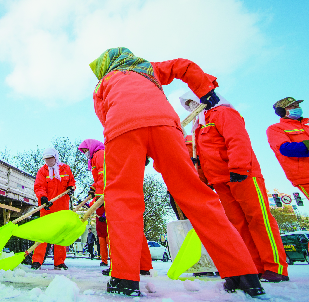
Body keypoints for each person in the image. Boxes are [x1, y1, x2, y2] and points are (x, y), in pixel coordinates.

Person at [90, 47, 266, 298]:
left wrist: (136, 151)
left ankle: (124, 280)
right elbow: (183, 66)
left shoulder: (102, 84)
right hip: (165, 126)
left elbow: (105, 118)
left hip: (122, 129)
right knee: (197, 196)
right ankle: (243, 274)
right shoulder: (147, 68)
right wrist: (206, 90)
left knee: (122, 201)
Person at [181, 92, 288, 283]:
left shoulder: (223, 113)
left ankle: (275, 266)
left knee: (258, 218)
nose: (191, 107)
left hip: (242, 175)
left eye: (192, 102)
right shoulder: (198, 127)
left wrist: (238, 166)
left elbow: (237, 139)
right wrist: (204, 181)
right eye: (187, 104)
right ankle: (254, 266)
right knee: (238, 224)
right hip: (220, 180)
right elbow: (201, 157)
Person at [78, 139, 153, 275]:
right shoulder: (103, 155)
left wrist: (97, 193)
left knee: (118, 232)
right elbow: (102, 179)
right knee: (133, 229)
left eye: (85, 150)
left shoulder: (99, 154)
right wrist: (94, 189)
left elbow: (104, 177)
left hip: (113, 195)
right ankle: (142, 266)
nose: (85, 154)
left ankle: (121, 267)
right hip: (121, 193)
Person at [31, 148, 76, 270]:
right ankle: (37, 260)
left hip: (62, 208)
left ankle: (59, 261)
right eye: (46, 159)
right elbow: (39, 186)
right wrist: (43, 198)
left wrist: (71, 187)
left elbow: (71, 182)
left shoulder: (65, 169)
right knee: (43, 234)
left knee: (60, 235)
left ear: (55, 157)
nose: (48, 161)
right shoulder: (42, 171)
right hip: (47, 207)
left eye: (50, 158)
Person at [267, 97, 309, 199]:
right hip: (305, 176)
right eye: (292, 106)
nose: (297, 108)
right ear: (282, 111)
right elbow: (286, 149)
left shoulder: (307, 127)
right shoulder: (275, 129)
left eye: (297, 105)